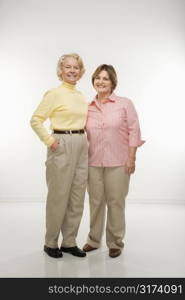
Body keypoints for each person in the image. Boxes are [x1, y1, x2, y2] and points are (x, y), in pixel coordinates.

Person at [83, 64, 145, 258]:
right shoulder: (87, 107)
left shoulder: (125, 104)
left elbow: (134, 131)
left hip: (119, 162)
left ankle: (115, 242)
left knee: (116, 202)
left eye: (105, 78)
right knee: (95, 202)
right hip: (93, 163)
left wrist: (132, 158)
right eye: (98, 78)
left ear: (112, 82)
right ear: (93, 81)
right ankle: (93, 240)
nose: (101, 82)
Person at [30, 53, 88, 258]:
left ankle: (70, 241)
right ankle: (51, 242)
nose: (72, 70)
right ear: (60, 70)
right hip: (61, 143)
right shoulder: (54, 94)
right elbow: (35, 120)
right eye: (68, 67)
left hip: (82, 143)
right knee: (58, 196)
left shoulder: (80, 96)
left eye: (76, 67)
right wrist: (50, 140)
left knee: (77, 196)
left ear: (81, 71)